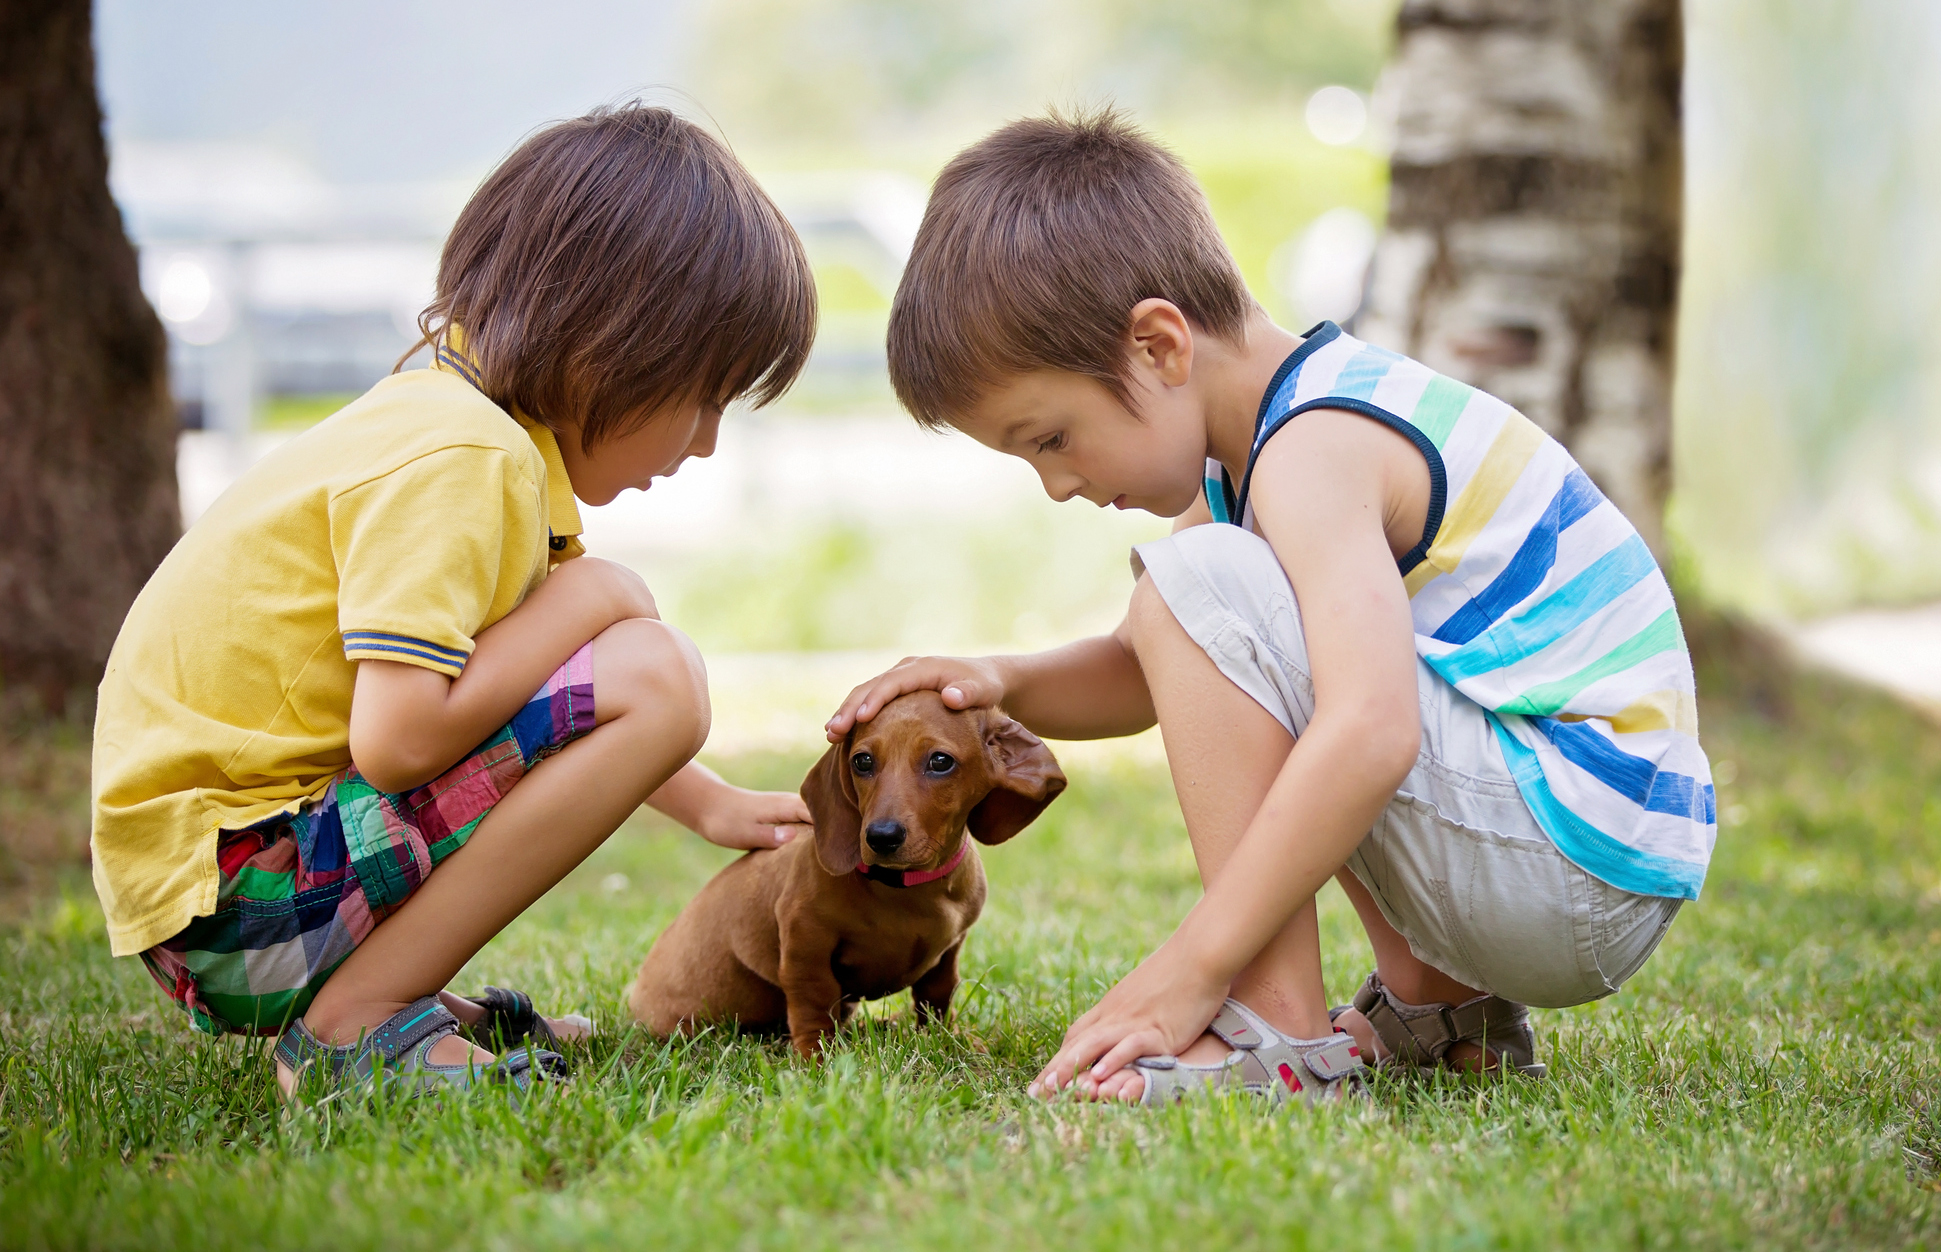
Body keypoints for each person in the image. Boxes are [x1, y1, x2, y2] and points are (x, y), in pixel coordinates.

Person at [826, 110, 1714, 1103]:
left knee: (1210, 590)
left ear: (1159, 344)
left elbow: (1369, 727)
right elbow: (1157, 664)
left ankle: (1273, 1030)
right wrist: (1000, 682)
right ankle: (1438, 1008)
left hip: (1570, 851)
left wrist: (1191, 965)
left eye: (1051, 438)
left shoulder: (1311, 446)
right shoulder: (1266, 446)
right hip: (1586, 848)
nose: (1057, 485)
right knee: (1207, 593)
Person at [92, 104, 817, 1097]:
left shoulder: (471, 434)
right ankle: (355, 1023)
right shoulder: (463, 458)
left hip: (225, 893)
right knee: (657, 671)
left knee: (643, 670)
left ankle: (380, 995)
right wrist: (598, 593)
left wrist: (708, 800)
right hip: (239, 904)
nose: (704, 443)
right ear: (612, 343)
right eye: (704, 395)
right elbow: (399, 739)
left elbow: (554, 702)